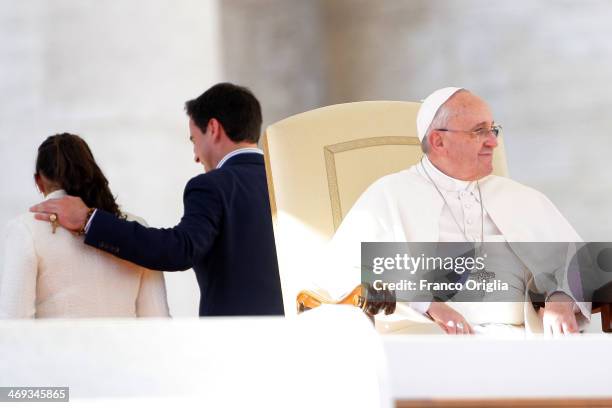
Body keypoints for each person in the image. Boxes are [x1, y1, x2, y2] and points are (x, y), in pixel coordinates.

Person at [324, 87, 589, 335]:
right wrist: (427, 304)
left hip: (522, 340)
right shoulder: (389, 194)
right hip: (427, 341)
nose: (493, 143)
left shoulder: (520, 197)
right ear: (438, 141)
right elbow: (345, 271)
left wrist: (560, 299)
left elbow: (580, 264)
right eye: (478, 131)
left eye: (493, 130)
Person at [29, 83, 284, 316]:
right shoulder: (287, 181)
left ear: (214, 129)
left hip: (234, 345)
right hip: (297, 340)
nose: (196, 156)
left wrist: (89, 219)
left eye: (194, 140)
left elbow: (179, 249)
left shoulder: (212, 186)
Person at [1, 133, 169, 318]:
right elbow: (157, 320)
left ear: (39, 181)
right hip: (123, 348)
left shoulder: (26, 229)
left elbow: (13, 320)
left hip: (57, 348)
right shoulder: (136, 227)